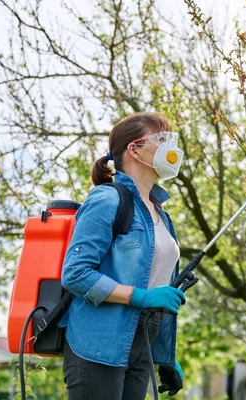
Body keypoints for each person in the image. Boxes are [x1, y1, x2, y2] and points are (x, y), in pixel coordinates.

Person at [57, 112, 187, 399]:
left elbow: (158, 287)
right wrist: (141, 297)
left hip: (143, 344)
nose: (172, 148)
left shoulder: (161, 215)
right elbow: (76, 274)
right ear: (134, 149)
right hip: (99, 345)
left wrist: (165, 354)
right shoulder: (107, 199)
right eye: (162, 139)